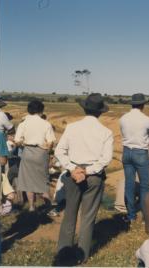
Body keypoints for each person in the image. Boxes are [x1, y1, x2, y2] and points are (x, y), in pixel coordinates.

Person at [54, 93, 113, 264]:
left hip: (73, 175)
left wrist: (73, 169)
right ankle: (83, 255)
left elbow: (59, 151)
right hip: (94, 177)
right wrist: (87, 171)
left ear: (85, 109)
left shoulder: (72, 127)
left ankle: (63, 253)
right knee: (88, 217)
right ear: (100, 112)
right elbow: (105, 159)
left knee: (69, 215)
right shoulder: (106, 132)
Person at [120, 93, 149, 223]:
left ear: (132, 104)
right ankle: (145, 216)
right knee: (145, 186)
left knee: (129, 184)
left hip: (126, 152)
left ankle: (131, 215)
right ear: (143, 105)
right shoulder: (147, 119)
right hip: (140, 152)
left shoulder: (123, 118)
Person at [14, 100, 56, 211]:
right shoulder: (46, 124)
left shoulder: (23, 124)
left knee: (28, 181)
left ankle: (32, 206)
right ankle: (48, 206)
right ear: (41, 111)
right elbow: (51, 142)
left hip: (27, 152)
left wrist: (25, 143)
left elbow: (17, 141)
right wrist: (48, 151)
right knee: (43, 180)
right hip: (41, 153)